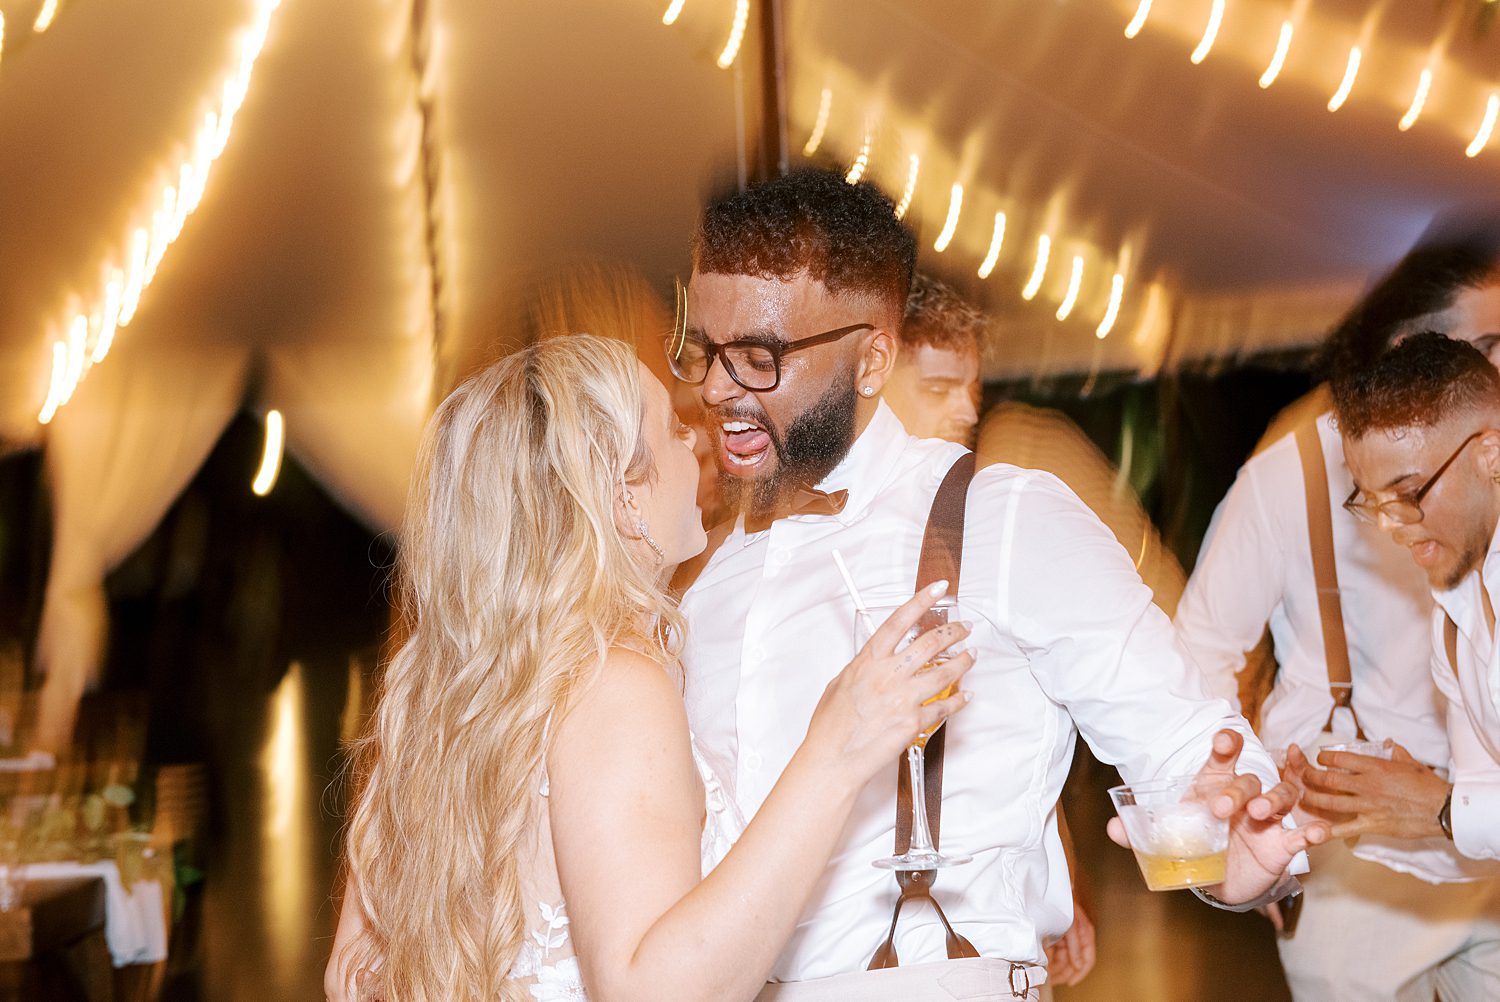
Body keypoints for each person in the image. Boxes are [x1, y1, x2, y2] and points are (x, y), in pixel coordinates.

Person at [671, 167, 1325, 999]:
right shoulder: (703, 575)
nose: (718, 389)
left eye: (758, 359)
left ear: (872, 359)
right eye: (704, 352)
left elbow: (1189, 752)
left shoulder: (1003, 519)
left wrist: (1246, 865)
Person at [324, 333, 975, 1001]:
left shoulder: (456, 698)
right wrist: (836, 752)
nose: (695, 440)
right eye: (669, 427)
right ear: (621, 495)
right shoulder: (613, 682)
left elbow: (350, 971)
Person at [1175, 233, 1500, 1000]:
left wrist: (1453, 806)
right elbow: (1200, 652)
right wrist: (1258, 823)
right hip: (1356, 859)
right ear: (1408, 349)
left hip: (1478, 837)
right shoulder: (1289, 476)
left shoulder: (1485, 457)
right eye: (1486, 343)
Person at [888, 273, 1098, 991]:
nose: (969, 408)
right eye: (943, 385)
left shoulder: (988, 526)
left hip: (985, 956)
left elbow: (1011, 740)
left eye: (975, 387)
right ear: (871, 374)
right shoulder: (803, 540)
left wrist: (1068, 894)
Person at [1313, 332, 1500, 995]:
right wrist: (1371, 805)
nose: (1393, 524)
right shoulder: (1453, 595)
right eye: (1373, 500)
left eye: (1410, 492)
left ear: (1490, 452)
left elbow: (1467, 808)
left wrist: (1445, 808)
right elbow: (1480, 792)